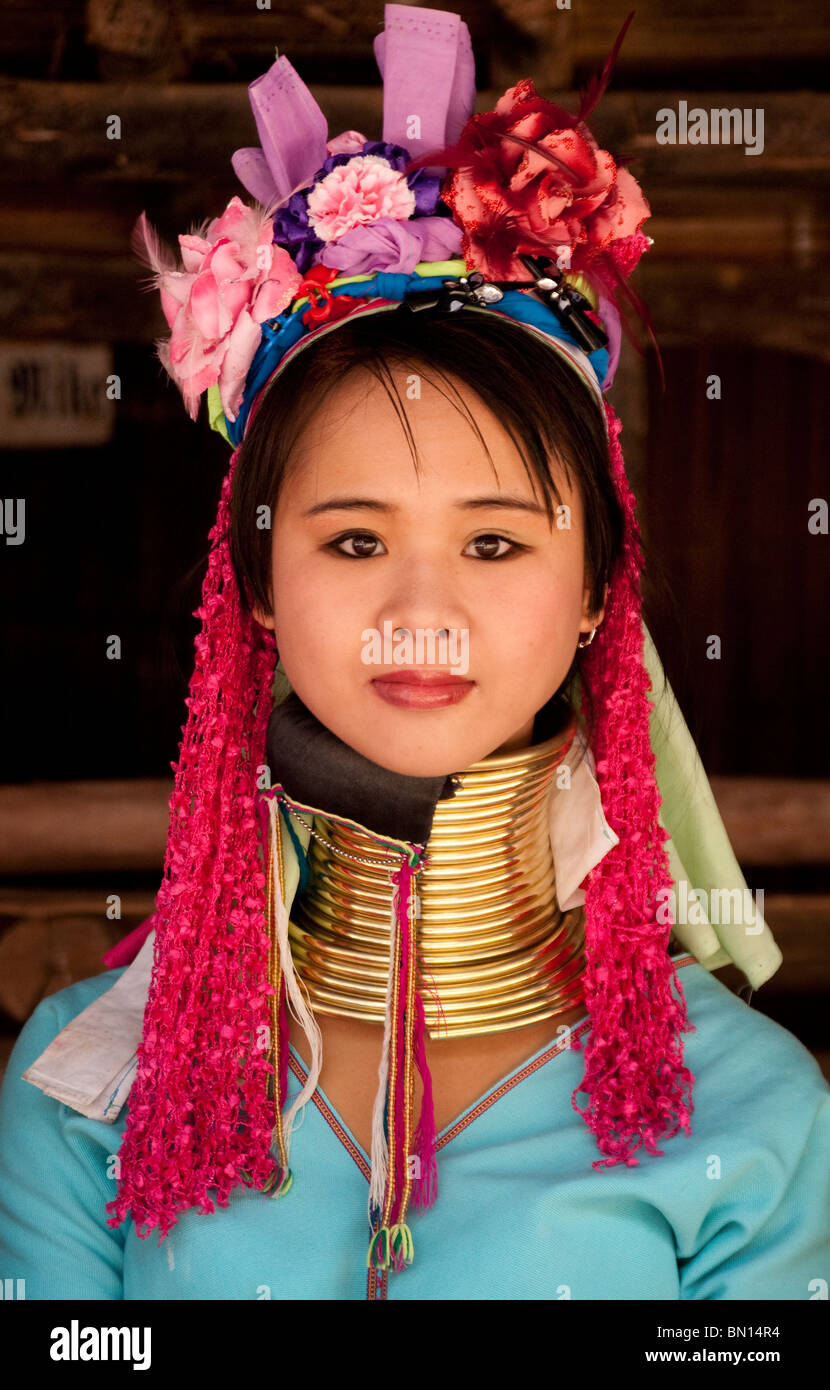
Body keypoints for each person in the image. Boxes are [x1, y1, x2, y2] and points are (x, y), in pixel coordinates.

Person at [0, 5, 827, 1302]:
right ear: (259, 587)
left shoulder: (749, 1112)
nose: (421, 606)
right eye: (351, 542)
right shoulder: (87, 1086)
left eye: (495, 546)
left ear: (595, 595)